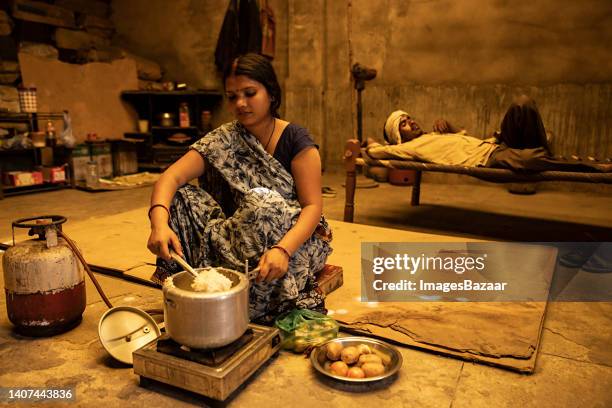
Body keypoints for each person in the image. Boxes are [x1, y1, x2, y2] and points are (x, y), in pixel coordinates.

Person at [147, 53, 332, 324]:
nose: (240, 104)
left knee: (262, 203)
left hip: (293, 240)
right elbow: (170, 177)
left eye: (249, 93)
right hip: (237, 235)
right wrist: (158, 224)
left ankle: (257, 301)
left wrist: (283, 250)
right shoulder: (224, 138)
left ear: (271, 92)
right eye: (232, 96)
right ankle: (201, 282)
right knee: (177, 198)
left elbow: (313, 207)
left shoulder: (296, 140)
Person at [369, 96, 610, 172]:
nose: (411, 122)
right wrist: (368, 145)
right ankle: (592, 167)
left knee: (521, 105)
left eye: (409, 118)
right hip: (488, 159)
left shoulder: (433, 136)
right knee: (531, 158)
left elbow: (464, 138)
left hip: (495, 143)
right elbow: (379, 151)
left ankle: (541, 148)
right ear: (398, 137)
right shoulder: (407, 148)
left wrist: (449, 126)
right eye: (404, 124)